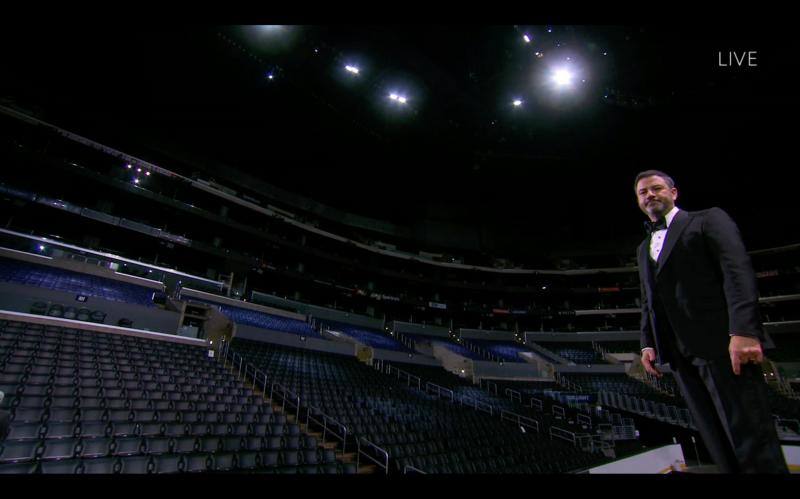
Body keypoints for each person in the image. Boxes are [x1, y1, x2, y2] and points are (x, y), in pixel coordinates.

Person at [634, 169, 787, 473]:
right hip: (679, 355)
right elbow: (650, 300)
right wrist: (647, 343)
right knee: (717, 440)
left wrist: (743, 330)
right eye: (643, 192)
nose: (650, 195)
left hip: (723, 344)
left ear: (673, 192)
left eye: (656, 188)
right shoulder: (642, 248)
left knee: (750, 436)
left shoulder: (707, 219)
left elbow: (737, 273)